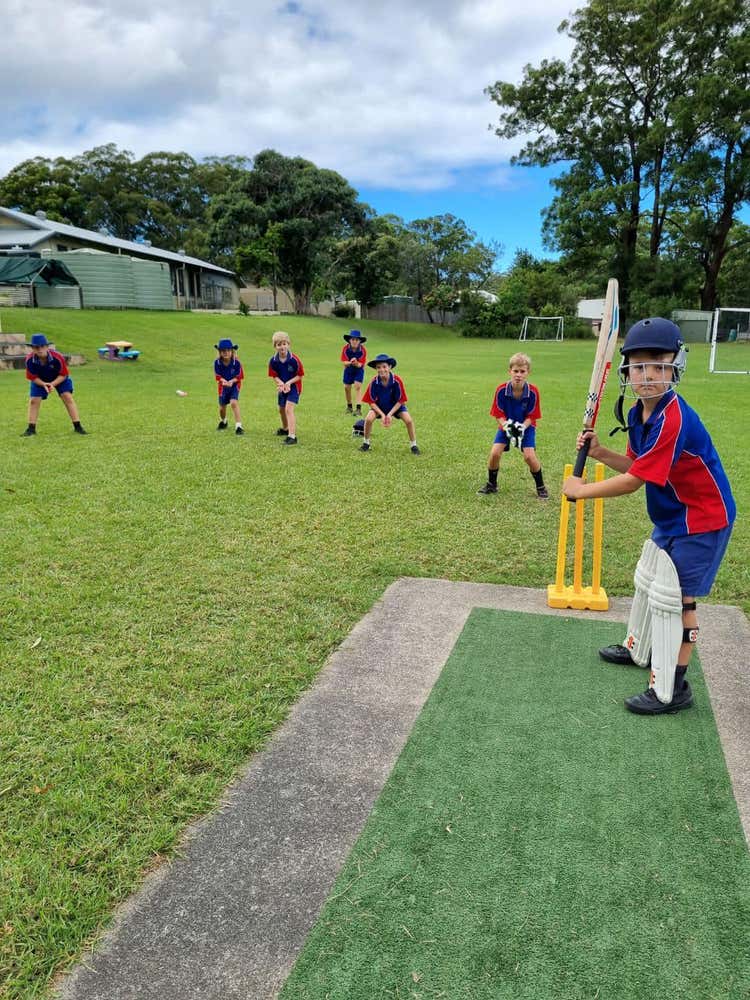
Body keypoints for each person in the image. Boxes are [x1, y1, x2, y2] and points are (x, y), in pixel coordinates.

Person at [563, 317, 735, 716]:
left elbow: (634, 482)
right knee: (648, 579)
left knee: (677, 599)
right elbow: (636, 465)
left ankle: (674, 687)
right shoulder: (640, 414)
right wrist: (601, 452)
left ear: (675, 367)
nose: (649, 375)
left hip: (702, 520)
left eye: (659, 365)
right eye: (639, 366)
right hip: (673, 515)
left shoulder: (672, 418)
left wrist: (582, 491)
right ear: (627, 373)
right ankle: (638, 648)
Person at [477, 352, 548, 498]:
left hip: (526, 427)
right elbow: (498, 413)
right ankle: (492, 485)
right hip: (506, 425)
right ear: (510, 371)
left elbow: (532, 416)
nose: (518, 375)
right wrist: (507, 427)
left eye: (522, 371)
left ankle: (541, 487)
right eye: (515, 371)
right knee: (495, 453)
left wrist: (521, 428)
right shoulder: (502, 390)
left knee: (529, 456)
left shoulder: (533, 392)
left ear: (528, 372)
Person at [22, 333, 87, 436]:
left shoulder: (57, 357)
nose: (39, 349)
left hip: (60, 378)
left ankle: (78, 426)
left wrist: (52, 384)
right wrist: (44, 384)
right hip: (40, 380)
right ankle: (31, 429)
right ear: (32, 348)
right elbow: (32, 377)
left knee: (67, 397)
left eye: (42, 346)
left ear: (47, 347)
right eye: (36, 347)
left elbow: (64, 374)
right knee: (34, 401)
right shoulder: (29, 360)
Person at [359, 353, 419, 454]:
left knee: (409, 420)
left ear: (390, 367)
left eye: (384, 366)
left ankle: (414, 445)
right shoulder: (374, 382)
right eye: (378, 367)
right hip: (379, 407)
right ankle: (366, 443)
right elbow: (371, 402)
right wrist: (382, 415)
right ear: (376, 369)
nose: (382, 369)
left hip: (396, 407)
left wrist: (390, 414)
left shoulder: (397, 381)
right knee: (368, 419)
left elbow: (401, 401)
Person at [268, 331, 304, 445]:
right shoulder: (273, 361)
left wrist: (288, 383)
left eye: (284, 344)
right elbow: (274, 375)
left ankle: (292, 436)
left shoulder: (294, 360)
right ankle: (285, 429)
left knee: (289, 409)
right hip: (282, 387)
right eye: (279, 344)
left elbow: (300, 375)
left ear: (288, 344)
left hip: (294, 387)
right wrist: (280, 384)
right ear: (275, 346)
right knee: (281, 409)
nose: (282, 347)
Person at [214, 338, 245, 435]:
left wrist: (231, 381)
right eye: (223, 351)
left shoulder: (237, 363)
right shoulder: (217, 363)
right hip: (223, 387)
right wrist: (224, 381)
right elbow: (218, 376)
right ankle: (224, 421)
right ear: (220, 352)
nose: (226, 353)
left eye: (228, 350)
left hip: (234, 385)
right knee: (222, 408)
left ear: (232, 351)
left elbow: (240, 376)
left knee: (233, 403)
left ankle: (239, 426)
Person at [340, 330, 367, 414]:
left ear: (360, 341)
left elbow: (360, 364)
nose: (354, 341)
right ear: (349, 340)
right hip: (348, 369)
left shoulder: (363, 350)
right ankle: (349, 406)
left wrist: (356, 362)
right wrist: (351, 362)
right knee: (346, 387)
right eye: (353, 339)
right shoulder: (345, 349)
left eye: (357, 340)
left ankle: (358, 408)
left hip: (358, 370)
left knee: (357, 386)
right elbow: (344, 362)